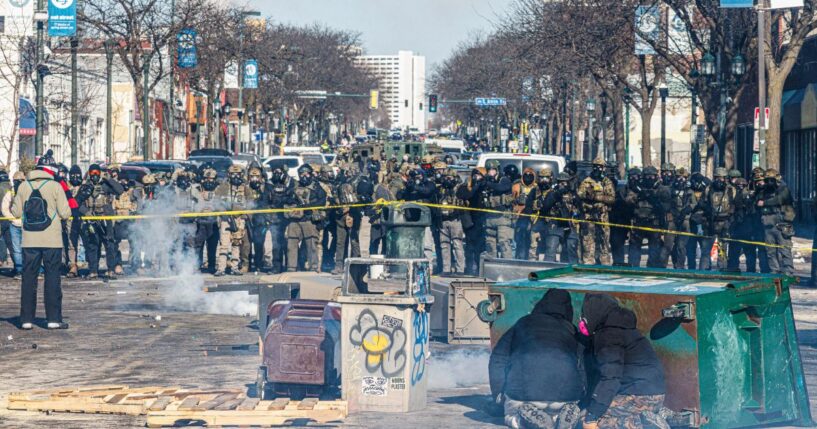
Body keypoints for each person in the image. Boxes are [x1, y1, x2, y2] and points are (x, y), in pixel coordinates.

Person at [489, 289, 584, 429]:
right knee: (557, 412)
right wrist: (582, 392)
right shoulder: (571, 329)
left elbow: (498, 357)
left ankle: (522, 420)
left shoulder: (523, 323)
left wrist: (498, 393)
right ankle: (563, 413)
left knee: (510, 415)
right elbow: (583, 363)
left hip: (524, 394)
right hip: (567, 394)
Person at [580, 294, 667, 429]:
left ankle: (638, 423)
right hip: (655, 396)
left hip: (636, 396)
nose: (583, 320)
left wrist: (592, 416)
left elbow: (611, 378)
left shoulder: (608, 335)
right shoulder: (626, 330)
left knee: (588, 418)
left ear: (593, 313)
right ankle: (663, 416)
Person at [12, 157, 72, 329]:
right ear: (50, 170)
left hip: (29, 241)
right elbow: (65, 213)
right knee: (52, 278)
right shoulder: (55, 186)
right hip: (52, 240)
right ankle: (53, 319)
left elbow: (15, 212)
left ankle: (26, 320)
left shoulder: (23, 186)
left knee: (28, 279)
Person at [75, 164, 124, 279]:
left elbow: (120, 190)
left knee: (109, 244)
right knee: (93, 245)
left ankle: (111, 270)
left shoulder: (106, 185)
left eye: (97, 173)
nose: (95, 176)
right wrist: (86, 212)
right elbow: (77, 202)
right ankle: (93, 271)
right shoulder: (86, 186)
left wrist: (109, 179)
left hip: (106, 219)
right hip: (92, 220)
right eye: (92, 173)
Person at [285, 165, 326, 272]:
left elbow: (322, 201)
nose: (304, 176)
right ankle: (291, 267)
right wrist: (293, 203)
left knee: (312, 244)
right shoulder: (294, 186)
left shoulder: (316, 187)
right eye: (302, 174)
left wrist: (309, 206)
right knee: (291, 243)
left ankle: (313, 267)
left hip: (309, 220)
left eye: (307, 173)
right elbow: (286, 198)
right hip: (295, 219)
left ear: (311, 174)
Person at [626, 166, 670, 268]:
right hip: (638, 223)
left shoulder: (662, 189)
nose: (649, 179)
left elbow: (666, 206)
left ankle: (652, 269)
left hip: (654, 223)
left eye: (652, 176)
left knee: (654, 250)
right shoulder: (637, 188)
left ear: (656, 177)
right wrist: (639, 196)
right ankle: (633, 268)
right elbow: (629, 200)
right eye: (647, 176)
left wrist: (654, 198)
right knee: (634, 250)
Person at [756, 169, 795, 276]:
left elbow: (779, 199)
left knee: (785, 251)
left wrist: (764, 203)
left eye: (771, 180)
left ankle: (788, 272)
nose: (769, 183)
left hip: (782, 225)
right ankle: (774, 271)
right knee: (770, 252)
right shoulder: (764, 191)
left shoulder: (784, 189)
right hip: (768, 226)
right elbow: (757, 202)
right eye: (767, 180)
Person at [577, 158, 615, 265]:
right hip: (588, 217)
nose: (598, 169)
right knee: (588, 243)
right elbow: (579, 195)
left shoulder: (606, 182)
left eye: (600, 167)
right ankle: (588, 264)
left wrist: (597, 197)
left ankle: (605, 264)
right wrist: (588, 196)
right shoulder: (586, 181)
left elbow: (612, 199)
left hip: (603, 217)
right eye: (596, 166)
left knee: (604, 243)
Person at [696, 168, 734, 271]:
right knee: (705, 250)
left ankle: (722, 270)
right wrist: (706, 213)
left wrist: (730, 220)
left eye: (722, 178)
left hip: (725, 223)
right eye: (717, 178)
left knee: (722, 250)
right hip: (710, 223)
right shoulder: (708, 189)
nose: (719, 180)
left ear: (725, 179)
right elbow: (701, 204)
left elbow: (735, 205)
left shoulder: (731, 190)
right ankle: (703, 272)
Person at [214, 164, 249, 276]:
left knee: (236, 244)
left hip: (239, 219)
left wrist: (244, 216)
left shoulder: (245, 188)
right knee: (224, 245)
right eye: (233, 174)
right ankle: (221, 268)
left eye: (238, 174)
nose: (235, 177)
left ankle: (235, 268)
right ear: (229, 175)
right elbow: (216, 202)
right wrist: (223, 213)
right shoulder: (222, 187)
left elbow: (251, 204)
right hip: (225, 220)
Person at [539, 172, 581, 264]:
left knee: (571, 250)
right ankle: (547, 269)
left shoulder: (573, 194)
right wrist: (557, 195)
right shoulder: (552, 193)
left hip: (570, 224)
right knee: (551, 249)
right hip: (555, 224)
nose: (562, 184)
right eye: (560, 182)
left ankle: (571, 272)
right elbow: (545, 207)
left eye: (564, 182)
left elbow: (580, 208)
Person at [437, 169, 465, 274]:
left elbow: (464, 197)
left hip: (455, 220)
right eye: (446, 178)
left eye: (450, 178)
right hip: (443, 220)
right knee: (444, 245)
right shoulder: (440, 189)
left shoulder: (459, 188)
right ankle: (446, 269)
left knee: (457, 244)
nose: (447, 180)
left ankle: (460, 269)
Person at [511, 168, 539, 261]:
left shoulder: (537, 187)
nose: (528, 178)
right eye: (526, 175)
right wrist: (516, 202)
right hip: (518, 217)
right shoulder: (516, 186)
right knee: (517, 240)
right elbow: (511, 200)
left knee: (531, 241)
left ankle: (529, 259)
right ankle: (517, 259)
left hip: (532, 218)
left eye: (530, 176)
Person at [2, 171, 25, 277]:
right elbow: (4, 208)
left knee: (26, 249)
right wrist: (12, 219)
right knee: (16, 249)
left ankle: (26, 269)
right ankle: (19, 269)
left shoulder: (28, 191)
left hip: (26, 224)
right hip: (15, 224)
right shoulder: (10, 192)